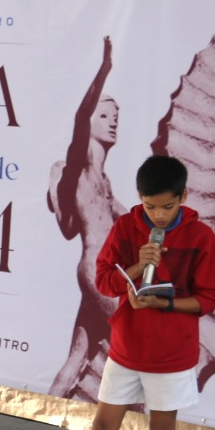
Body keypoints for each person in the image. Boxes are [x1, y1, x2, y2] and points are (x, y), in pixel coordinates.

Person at [39, 155, 215, 430]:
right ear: (139, 199)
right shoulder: (126, 226)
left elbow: (210, 298)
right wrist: (139, 264)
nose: (157, 215)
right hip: (125, 349)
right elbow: (104, 279)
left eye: (167, 206)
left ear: (184, 197)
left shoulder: (202, 237)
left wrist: (167, 302)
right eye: (149, 206)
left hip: (172, 355)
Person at [47, 37, 127, 402]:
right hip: (96, 269)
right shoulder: (81, 169)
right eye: (105, 116)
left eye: (116, 117)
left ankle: (45, 413)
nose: (113, 123)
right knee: (133, 336)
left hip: (103, 269)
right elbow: (81, 116)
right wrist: (106, 67)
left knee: (78, 354)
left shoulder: (106, 183)